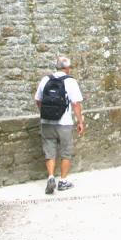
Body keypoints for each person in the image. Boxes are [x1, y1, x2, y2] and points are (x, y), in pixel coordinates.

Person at [35, 55, 84, 194]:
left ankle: (51, 177)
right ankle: (62, 181)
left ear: (56, 66)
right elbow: (75, 104)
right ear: (67, 67)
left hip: (46, 122)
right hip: (64, 123)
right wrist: (80, 121)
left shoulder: (45, 79)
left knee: (49, 150)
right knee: (66, 151)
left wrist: (45, 113)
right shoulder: (70, 81)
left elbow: (38, 100)